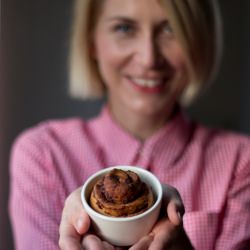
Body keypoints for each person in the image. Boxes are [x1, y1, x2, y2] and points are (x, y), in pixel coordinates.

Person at [8, 0, 250, 249]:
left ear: (198, 41)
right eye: (124, 28)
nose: (149, 59)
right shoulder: (44, 155)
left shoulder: (241, 164)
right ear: (92, 41)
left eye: (171, 29)